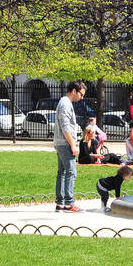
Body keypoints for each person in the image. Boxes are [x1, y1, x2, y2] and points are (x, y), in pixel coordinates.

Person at [53, 80, 85, 212]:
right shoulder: (65, 104)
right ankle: (68, 203)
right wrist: (73, 145)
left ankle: (60, 203)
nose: (82, 97)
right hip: (65, 143)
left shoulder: (64, 103)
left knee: (62, 173)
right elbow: (66, 126)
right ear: (74, 91)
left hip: (60, 143)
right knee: (71, 172)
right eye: (81, 94)